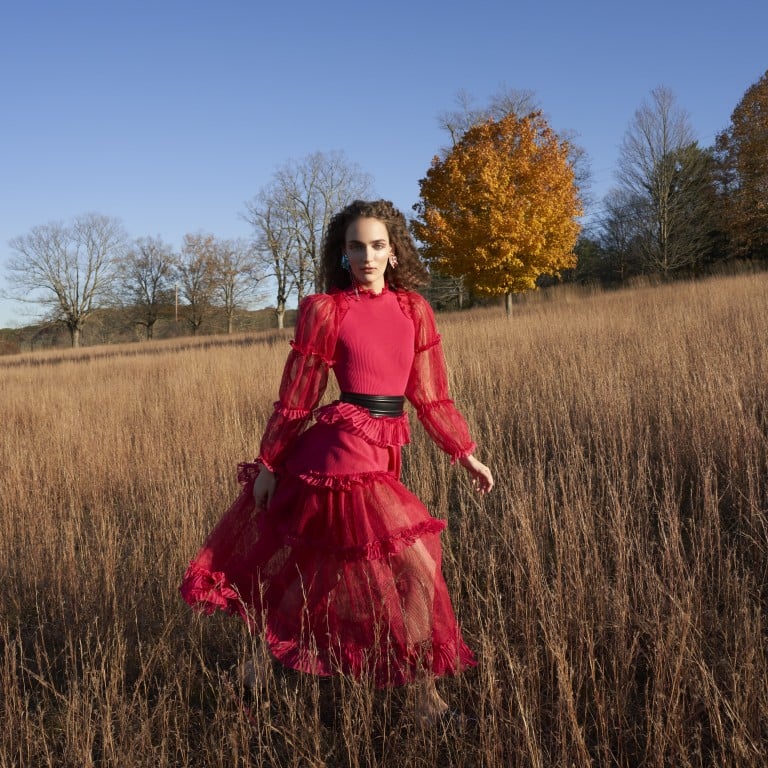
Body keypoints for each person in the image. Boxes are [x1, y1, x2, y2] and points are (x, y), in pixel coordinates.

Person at [180, 199, 493, 725]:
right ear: (342, 254)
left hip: (384, 450)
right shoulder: (327, 310)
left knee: (317, 570)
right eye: (355, 246)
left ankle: (256, 669)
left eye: (377, 245)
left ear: (393, 251)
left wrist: (464, 453)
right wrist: (268, 465)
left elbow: (430, 395)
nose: (367, 256)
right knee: (417, 566)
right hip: (340, 452)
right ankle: (423, 702)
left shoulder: (414, 309)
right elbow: (297, 398)